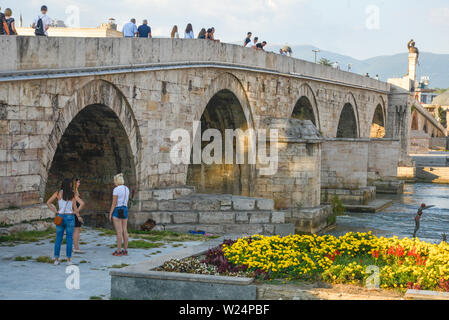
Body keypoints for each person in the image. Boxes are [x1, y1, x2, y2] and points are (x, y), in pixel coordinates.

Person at [46, 178, 84, 265]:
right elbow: (82, 203)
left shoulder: (57, 193)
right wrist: (76, 212)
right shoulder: (73, 194)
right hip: (70, 217)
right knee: (69, 239)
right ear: (70, 185)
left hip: (60, 216)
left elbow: (48, 202)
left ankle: (56, 260)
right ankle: (68, 260)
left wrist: (55, 211)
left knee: (58, 239)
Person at [109, 173, 130, 256]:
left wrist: (110, 213)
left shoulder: (116, 189)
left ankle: (118, 251)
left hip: (117, 209)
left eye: (114, 180)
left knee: (119, 232)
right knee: (125, 230)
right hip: (125, 209)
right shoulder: (127, 188)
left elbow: (114, 203)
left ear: (117, 181)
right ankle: (125, 250)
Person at [72, 178, 84, 254]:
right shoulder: (74, 192)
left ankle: (75, 246)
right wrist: (78, 215)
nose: (79, 183)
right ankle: (76, 248)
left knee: (78, 229)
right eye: (78, 182)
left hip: (76, 213)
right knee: (76, 230)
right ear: (75, 183)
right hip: (75, 213)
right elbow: (74, 206)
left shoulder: (76, 191)